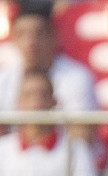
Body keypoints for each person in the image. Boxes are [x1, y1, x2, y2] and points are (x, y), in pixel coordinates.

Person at [0, 6, 97, 142]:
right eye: (23, 34)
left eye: (39, 33)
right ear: (14, 40)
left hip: (63, 157)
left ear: (53, 36)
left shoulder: (77, 77)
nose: (31, 43)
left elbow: (82, 135)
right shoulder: (3, 79)